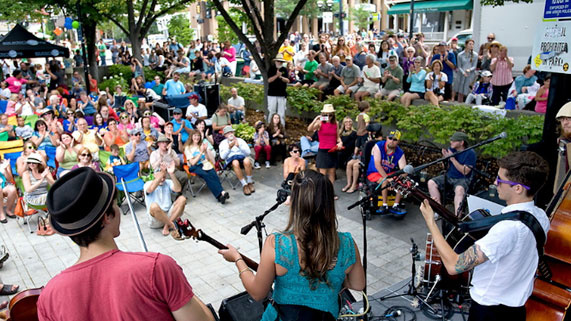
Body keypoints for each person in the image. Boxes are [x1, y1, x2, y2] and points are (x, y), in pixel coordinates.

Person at [38, 167, 215, 321]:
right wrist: (180, 288)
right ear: (108, 216)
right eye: (115, 204)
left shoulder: (48, 297)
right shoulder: (156, 268)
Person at [218, 169, 365, 321]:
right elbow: (358, 284)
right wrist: (333, 278)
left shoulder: (278, 244)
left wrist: (237, 259)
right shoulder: (347, 243)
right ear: (329, 203)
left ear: (295, 202)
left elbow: (258, 292)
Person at [419, 151, 550, 321]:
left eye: (500, 180)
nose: (495, 183)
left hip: (490, 311)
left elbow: (453, 265)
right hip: (516, 308)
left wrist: (431, 222)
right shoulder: (540, 216)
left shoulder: (507, 229)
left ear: (518, 188)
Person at [428, 131, 476, 216]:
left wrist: (452, 159)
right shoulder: (451, 149)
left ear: (461, 142)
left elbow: (465, 171)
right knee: (431, 183)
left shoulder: (470, 153)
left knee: (459, 190)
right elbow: (445, 168)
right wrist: (445, 158)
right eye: (451, 140)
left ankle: (457, 217)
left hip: (462, 179)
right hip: (449, 176)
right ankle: (439, 209)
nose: (451, 142)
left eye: (454, 141)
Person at [366, 130, 407, 215]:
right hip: (374, 172)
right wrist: (389, 180)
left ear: (398, 141)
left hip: (388, 174)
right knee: (384, 181)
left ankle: (395, 205)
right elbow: (377, 164)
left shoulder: (399, 152)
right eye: (390, 138)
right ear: (387, 138)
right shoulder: (378, 146)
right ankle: (384, 205)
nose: (392, 141)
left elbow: (404, 169)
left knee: (402, 180)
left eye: (395, 139)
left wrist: (397, 179)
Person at [184, 130, 229, 204]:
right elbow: (192, 163)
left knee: (213, 174)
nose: (197, 137)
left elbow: (207, 159)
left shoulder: (201, 145)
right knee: (206, 175)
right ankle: (222, 193)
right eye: (195, 135)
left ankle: (221, 196)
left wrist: (205, 151)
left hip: (205, 164)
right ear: (191, 137)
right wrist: (201, 152)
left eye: (198, 136)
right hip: (195, 166)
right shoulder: (188, 148)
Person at [307, 104, 342, 197]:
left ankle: (330, 192)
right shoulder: (320, 123)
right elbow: (309, 129)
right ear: (323, 114)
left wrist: (340, 143)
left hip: (333, 150)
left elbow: (337, 137)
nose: (329, 117)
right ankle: (321, 192)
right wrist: (316, 119)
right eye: (326, 115)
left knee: (332, 173)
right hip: (323, 150)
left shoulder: (336, 123)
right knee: (322, 174)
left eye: (331, 115)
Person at [145, 160, 187, 236]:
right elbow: (150, 189)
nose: (162, 178)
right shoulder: (147, 184)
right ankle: (172, 225)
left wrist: (171, 173)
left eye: (164, 176)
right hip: (156, 219)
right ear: (154, 175)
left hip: (169, 215)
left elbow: (178, 189)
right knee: (154, 206)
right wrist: (162, 172)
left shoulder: (168, 182)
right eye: (160, 176)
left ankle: (167, 225)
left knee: (182, 199)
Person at [219, 126, 255, 196]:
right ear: (225, 135)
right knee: (235, 162)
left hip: (241, 157)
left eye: (231, 132)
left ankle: (250, 182)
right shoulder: (223, 143)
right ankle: (244, 184)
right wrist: (229, 148)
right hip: (231, 160)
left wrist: (239, 146)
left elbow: (248, 152)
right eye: (228, 133)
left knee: (247, 160)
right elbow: (222, 157)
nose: (230, 134)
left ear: (234, 132)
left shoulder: (240, 140)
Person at [267, 54, 289, 127]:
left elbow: (287, 80)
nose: (279, 63)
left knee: (281, 113)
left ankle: (281, 128)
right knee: (271, 111)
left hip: (282, 94)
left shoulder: (284, 70)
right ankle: (270, 127)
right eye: (278, 61)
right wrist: (276, 76)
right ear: (275, 61)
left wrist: (280, 77)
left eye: (281, 61)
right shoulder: (271, 69)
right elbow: (269, 80)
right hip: (272, 94)